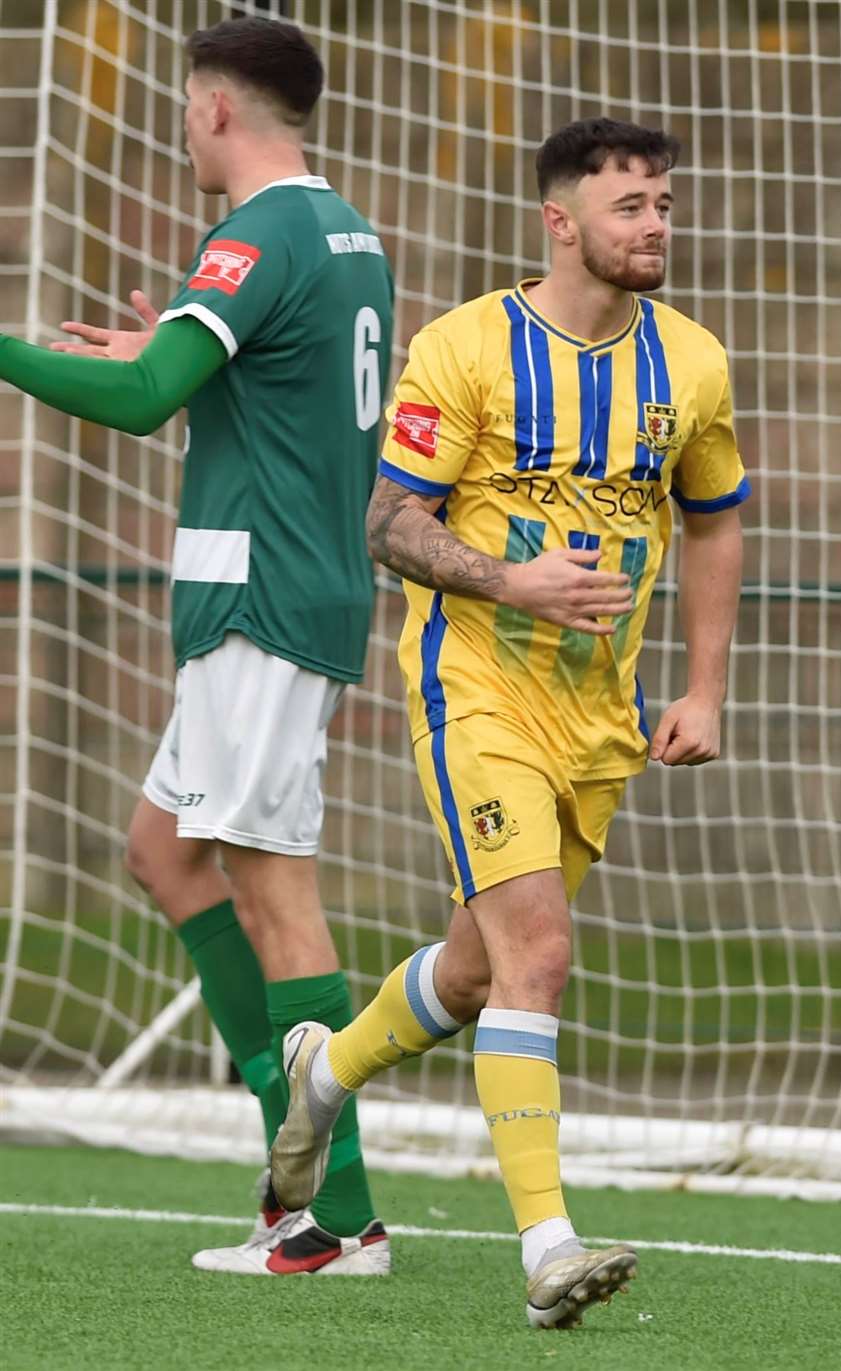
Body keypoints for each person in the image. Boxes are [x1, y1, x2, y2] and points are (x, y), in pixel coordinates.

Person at [270, 117, 750, 1326]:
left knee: (483, 973)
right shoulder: (466, 348)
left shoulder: (692, 363)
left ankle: (324, 1070)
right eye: (630, 207)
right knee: (539, 954)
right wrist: (506, 578)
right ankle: (548, 1248)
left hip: (603, 715)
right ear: (560, 220)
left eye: (664, 205)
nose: (655, 226)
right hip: (472, 687)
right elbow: (388, 524)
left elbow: (714, 520)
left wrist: (703, 687)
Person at [0, 16, 394, 1276]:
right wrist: (169, 355)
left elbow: (136, 400)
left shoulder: (256, 232)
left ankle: (334, 1215)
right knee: (166, 855)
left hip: (261, 603)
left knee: (275, 894)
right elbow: (242, 385)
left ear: (216, 108)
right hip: (274, 592)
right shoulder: (342, 230)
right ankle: (293, 1153)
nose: (179, 127)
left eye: (182, 106)